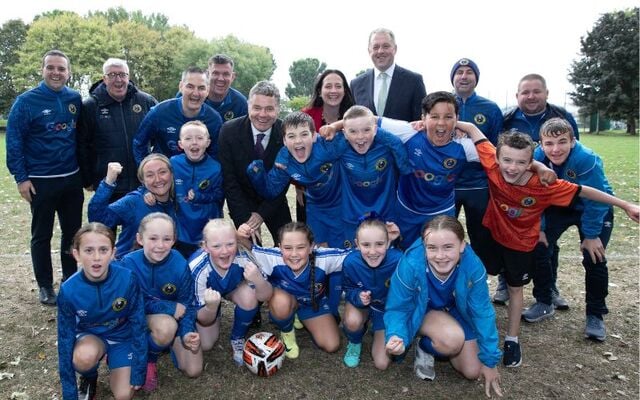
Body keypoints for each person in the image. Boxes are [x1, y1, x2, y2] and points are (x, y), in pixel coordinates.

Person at [457, 121, 639, 368]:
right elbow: (473, 129)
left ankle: (512, 339)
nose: (512, 168)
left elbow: (586, 191)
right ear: (497, 158)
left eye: (521, 162)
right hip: (492, 235)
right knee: (477, 275)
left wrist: (626, 205)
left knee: (515, 288)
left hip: (521, 244)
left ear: (530, 162)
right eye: (507, 161)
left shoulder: (544, 185)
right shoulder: (492, 162)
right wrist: (441, 121)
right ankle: (470, 325)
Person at [384, 216, 502, 398]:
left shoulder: (473, 266)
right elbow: (398, 307)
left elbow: (482, 312)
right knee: (451, 340)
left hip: (454, 312)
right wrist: (397, 335)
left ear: (462, 246)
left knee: (472, 371)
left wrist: (490, 360)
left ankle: (430, 343)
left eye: (448, 247)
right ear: (424, 247)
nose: (440, 256)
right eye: (432, 248)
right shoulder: (411, 264)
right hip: (423, 312)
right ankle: (425, 344)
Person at [523, 118, 616, 341]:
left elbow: (598, 200)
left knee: (594, 256)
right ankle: (545, 301)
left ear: (573, 141)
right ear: (541, 144)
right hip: (559, 207)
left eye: (562, 142)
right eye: (549, 143)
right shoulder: (536, 158)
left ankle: (595, 314)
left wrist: (592, 234)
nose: (555, 149)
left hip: (592, 208)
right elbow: (536, 196)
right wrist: (541, 227)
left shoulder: (586, 159)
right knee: (539, 245)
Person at [6, 49, 84, 305]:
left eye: (61, 68)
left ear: (68, 72)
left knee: (72, 234)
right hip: (40, 181)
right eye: (51, 67)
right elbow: (14, 140)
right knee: (42, 235)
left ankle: (70, 280)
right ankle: (44, 285)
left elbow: (82, 138)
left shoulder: (75, 99)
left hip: (71, 179)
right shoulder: (26, 102)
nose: (56, 72)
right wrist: (21, 178)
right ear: (43, 70)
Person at [496, 73, 580, 307]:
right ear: (517, 95)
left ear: (546, 93)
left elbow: (571, 154)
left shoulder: (562, 117)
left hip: (547, 189)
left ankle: (549, 288)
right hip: (514, 191)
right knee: (509, 235)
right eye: (525, 92)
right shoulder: (507, 118)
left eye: (536, 91)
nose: (531, 96)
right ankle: (506, 281)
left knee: (547, 240)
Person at [57, 223, 146, 400]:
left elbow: (139, 324)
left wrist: (138, 370)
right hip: (92, 337)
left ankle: (117, 360)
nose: (96, 257)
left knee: (123, 395)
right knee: (83, 358)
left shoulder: (128, 278)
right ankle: (89, 377)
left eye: (103, 250)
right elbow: (65, 339)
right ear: (77, 254)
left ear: (113, 253)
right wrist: (69, 393)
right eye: (89, 250)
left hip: (122, 337)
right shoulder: (68, 290)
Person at [238, 222, 349, 359]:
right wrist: (240, 234)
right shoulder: (273, 257)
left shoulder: (324, 258)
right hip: (285, 301)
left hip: (312, 303)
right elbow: (248, 247)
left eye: (301, 247)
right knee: (280, 302)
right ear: (279, 248)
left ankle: (300, 316)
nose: (294, 254)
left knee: (331, 345)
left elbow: (354, 256)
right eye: (288, 248)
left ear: (311, 247)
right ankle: (287, 331)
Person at [120, 213, 201, 392]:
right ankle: (149, 358)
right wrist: (168, 307)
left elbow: (187, 303)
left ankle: (166, 344)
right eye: (153, 238)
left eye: (166, 239)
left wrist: (187, 332)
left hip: (171, 318)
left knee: (194, 370)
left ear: (174, 240)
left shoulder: (180, 264)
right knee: (167, 326)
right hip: (140, 319)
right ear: (140, 239)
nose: (160, 245)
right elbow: (131, 305)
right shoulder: (128, 264)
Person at [188, 219, 272, 366]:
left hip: (234, 288)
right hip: (209, 299)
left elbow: (265, 296)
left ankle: (238, 337)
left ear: (237, 242)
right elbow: (203, 319)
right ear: (205, 247)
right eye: (216, 246)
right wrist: (211, 307)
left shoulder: (244, 257)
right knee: (206, 344)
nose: (225, 251)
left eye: (230, 244)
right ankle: (216, 311)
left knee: (249, 296)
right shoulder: (196, 268)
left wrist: (258, 280)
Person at [218, 80, 292, 245]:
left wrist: (261, 214)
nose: (262, 114)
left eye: (269, 108)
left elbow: (283, 183)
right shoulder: (228, 131)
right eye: (257, 108)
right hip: (242, 200)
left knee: (288, 245)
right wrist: (245, 219)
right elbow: (230, 182)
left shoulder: (286, 134)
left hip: (274, 201)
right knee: (249, 248)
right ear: (248, 106)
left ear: (278, 109)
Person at [77, 58, 158, 202]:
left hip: (141, 182)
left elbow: (159, 136)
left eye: (122, 74)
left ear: (129, 77)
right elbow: (82, 145)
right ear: (104, 79)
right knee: (105, 225)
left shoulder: (146, 101)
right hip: (107, 183)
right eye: (112, 75)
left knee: (141, 224)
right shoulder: (90, 106)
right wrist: (87, 178)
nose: (118, 79)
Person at [450, 58, 503, 264]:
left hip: (479, 184)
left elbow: (498, 147)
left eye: (469, 72)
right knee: (445, 236)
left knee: (483, 238)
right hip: (448, 183)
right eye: (459, 72)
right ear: (453, 78)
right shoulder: (442, 104)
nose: (464, 76)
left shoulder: (490, 108)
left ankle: (487, 280)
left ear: (476, 78)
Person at [145, 121, 223, 258]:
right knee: (179, 268)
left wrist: (200, 197)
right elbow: (157, 180)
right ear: (180, 144)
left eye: (199, 138)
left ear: (208, 142)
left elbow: (220, 195)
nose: (194, 142)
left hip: (205, 232)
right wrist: (148, 192)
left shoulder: (215, 168)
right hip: (179, 231)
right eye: (188, 138)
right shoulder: (173, 163)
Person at [88, 154, 178, 258]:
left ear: (171, 174)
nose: (157, 179)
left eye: (162, 172)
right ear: (142, 181)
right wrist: (108, 182)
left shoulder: (180, 200)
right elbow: (97, 220)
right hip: (130, 268)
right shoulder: (133, 202)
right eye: (150, 175)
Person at [341, 216, 402, 370]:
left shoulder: (399, 260)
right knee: (352, 321)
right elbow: (348, 289)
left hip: (385, 311)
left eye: (380, 244)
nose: (373, 251)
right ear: (357, 244)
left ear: (388, 243)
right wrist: (358, 297)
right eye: (366, 245)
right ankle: (355, 342)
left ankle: (378, 328)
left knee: (382, 363)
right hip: (363, 307)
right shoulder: (350, 262)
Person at [299, 69, 355, 223]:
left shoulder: (355, 117)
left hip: (347, 191)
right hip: (312, 193)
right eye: (328, 86)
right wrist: (298, 184)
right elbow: (293, 151)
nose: (333, 91)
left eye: (338, 86)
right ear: (319, 91)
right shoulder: (305, 116)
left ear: (345, 90)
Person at [133, 66, 223, 164]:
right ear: (181, 87)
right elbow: (139, 143)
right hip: (164, 176)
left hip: (197, 177)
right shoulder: (160, 112)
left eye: (201, 88)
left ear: (207, 91)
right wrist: (146, 170)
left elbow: (215, 155)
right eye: (190, 86)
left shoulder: (214, 119)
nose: (196, 93)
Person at [350, 28, 426, 121]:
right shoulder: (356, 84)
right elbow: (351, 120)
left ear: (395, 49)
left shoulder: (414, 81)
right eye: (375, 47)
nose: (380, 51)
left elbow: (421, 122)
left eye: (386, 46)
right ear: (369, 51)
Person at [205, 54, 248, 122]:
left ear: (232, 77)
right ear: (207, 75)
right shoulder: (195, 98)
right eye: (215, 73)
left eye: (226, 74)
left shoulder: (241, 103)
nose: (220, 79)